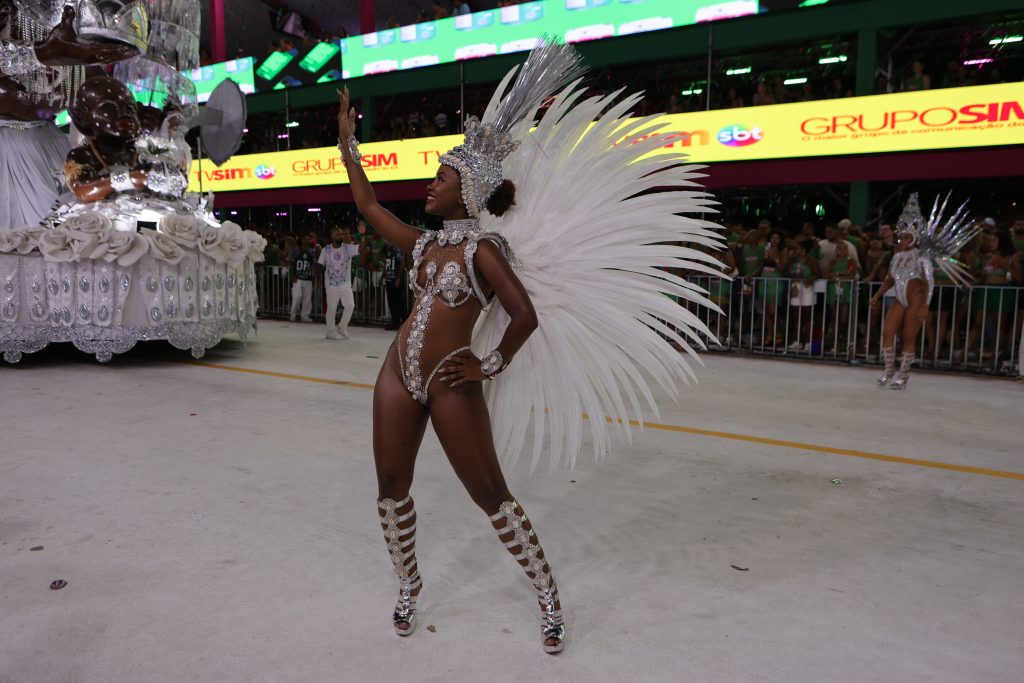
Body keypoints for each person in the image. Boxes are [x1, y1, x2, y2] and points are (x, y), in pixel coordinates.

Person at [335, 41, 721, 655]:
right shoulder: (422, 245)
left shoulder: (482, 251)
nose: (429, 185)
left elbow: (524, 314)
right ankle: (408, 584)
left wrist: (488, 363)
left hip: (449, 379)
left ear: (468, 190)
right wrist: (348, 144)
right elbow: (366, 204)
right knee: (389, 482)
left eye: (440, 177)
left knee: (489, 491)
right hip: (395, 375)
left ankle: (546, 593)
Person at [869, 193, 976, 388]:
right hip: (900, 299)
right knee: (887, 332)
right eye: (901, 236)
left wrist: (926, 305)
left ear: (915, 237)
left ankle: (904, 374)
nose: (902, 239)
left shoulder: (922, 257)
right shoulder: (895, 257)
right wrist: (876, 296)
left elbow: (929, 282)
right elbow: (890, 279)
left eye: (906, 236)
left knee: (908, 338)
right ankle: (888, 369)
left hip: (917, 299)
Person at [316, 225, 362, 339]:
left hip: (346, 284)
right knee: (331, 307)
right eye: (338, 234)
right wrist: (318, 278)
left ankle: (342, 326)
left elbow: (360, 248)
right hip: (331, 284)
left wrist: (360, 236)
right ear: (332, 236)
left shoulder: (348, 248)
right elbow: (320, 265)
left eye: (341, 234)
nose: (340, 236)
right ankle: (330, 331)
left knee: (350, 305)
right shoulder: (326, 250)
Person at [382, 240, 409, 331]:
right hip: (389, 279)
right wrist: (382, 277)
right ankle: (395, 322)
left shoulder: (398, 248)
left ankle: (403, 322)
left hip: (395, 279)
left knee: (399, 301)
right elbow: (386, 264)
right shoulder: (388, 249)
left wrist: (398, 278)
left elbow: (402, 263)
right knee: (391, 301)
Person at [289, 236, 316, 322]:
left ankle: (305, 316)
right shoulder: (296, 252)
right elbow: (292, 264)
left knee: (307, 299)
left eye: (308, 239)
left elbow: (313, 265)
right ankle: (293, 314)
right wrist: (293, 276)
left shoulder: (311, 252)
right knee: (297, 296)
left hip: (308, 278)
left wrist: (314, 278)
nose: (307, 241)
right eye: (305, 239)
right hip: (298, 278)